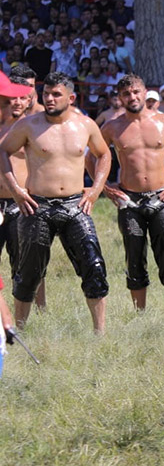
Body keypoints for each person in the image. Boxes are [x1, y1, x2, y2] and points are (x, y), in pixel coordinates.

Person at [0, 72, 111, 334]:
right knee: (28, 272)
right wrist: (16, 189)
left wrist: (95, 191)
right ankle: (21, 331)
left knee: (93, 266)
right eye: (46, 93)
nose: (49, 99)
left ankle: (100, 333)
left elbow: (104, 154)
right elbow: (3, 150)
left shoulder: (85, 125)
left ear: (71, 98)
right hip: (37, 206)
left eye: (56, 94)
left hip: (75, 205)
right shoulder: (29, 125)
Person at [100, 75, 164, 312]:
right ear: (120, 98)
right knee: (134, 257)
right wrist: (105, 186)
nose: (132, 97)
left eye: (136, 92)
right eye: (126, 94)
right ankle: (139, 314)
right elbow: (93, 155)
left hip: (161, 197)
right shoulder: (112, 127)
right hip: (129, 200)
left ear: (144, 92)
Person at [0, 66, 46, 309]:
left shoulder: (33, 127)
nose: (16, 102)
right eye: (11, 98)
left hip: (23, 202)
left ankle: (38, 309)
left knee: (28, 261)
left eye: (22, 97)